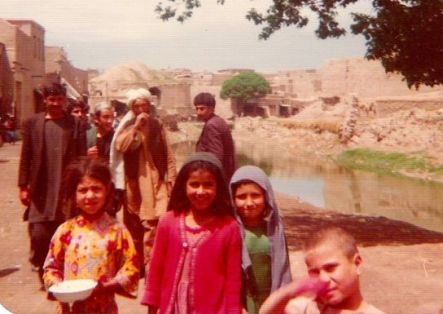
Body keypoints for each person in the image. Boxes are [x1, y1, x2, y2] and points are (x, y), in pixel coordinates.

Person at [141, 152, 242, 313]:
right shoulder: (168, 222)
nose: (201, 192)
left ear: (218, 188)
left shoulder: (229, 228)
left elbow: (233, 280)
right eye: (194, 184)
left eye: (208, 185)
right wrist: (152, 304)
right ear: (184, 186)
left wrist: (233, 310)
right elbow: (156, 268)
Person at [43, 158, 140, 314]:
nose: (90, 195)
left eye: (96, 189)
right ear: (74, 194)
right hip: (70, 307)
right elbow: (51, 268)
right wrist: (59, 287)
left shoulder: (117, 230)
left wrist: (106, 286)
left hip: (104, 307)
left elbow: (131, 268)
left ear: (107, 191)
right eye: (83, 190)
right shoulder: (65, 231)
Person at [18, 83, 86, 285]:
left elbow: (81, 158)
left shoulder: (75, 124)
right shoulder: (33, 123)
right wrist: (23, 186)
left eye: (59, 99)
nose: (55, 103)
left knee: (65, 232)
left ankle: (63, 275)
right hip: (41, 190)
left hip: (65, 189)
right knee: (39, 235)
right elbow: (26, 156)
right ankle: (43, 270)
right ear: (45, 101)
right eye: (51, 99)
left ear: (64, 100)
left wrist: (81, 186)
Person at [110, 88, 177, 275]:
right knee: (135, 223)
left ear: (149, 105)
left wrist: (172, 177)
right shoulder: (127, 125)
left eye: (143, 105)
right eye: (137, 106)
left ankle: (151, 265)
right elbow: (120, 146)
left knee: (154, 221)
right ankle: (138, 264)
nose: (141, 109)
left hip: (156, 179)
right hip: (135, 182)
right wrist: (136, 128)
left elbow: (168, 153)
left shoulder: (157, 125)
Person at [259, 227, 385, 314]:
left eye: (330, 268)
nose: (323, 279)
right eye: (315, 272)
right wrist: (291, 290)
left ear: (357, 264)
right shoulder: (308, 308)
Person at [230, 165, 292, 314]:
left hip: (272, 299)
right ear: (232, 199)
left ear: (267, 196)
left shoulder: (275, 230)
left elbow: (283, 270)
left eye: (255, 195)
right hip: (242, 303)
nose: (249, 203)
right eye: (241, 197)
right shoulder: (230, 231)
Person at [194, 92, 236, 180]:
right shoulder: (218, 121)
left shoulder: (211, 125)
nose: (198, 112)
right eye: (197, 109)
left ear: (211, 109)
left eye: (202, 109)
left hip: (218, 177)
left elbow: (216, 157)